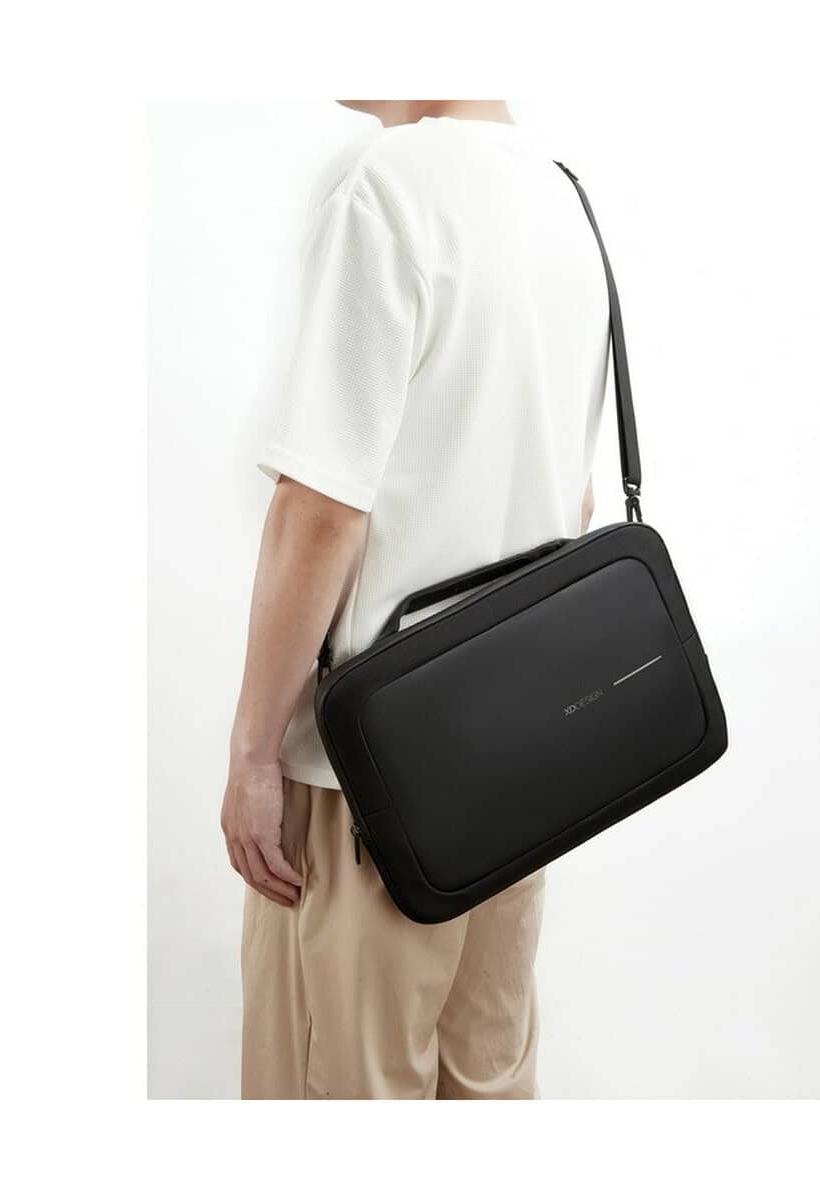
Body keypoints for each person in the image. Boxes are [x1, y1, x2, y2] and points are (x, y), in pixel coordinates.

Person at [222, 99, 609, 1099]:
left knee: (340, 1089)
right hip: (524, 764)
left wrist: (255, 752)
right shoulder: (563, 200)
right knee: (485, 1083)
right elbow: (572, 499)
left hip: (370, 778)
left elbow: (322, 511)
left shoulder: (388, 189)